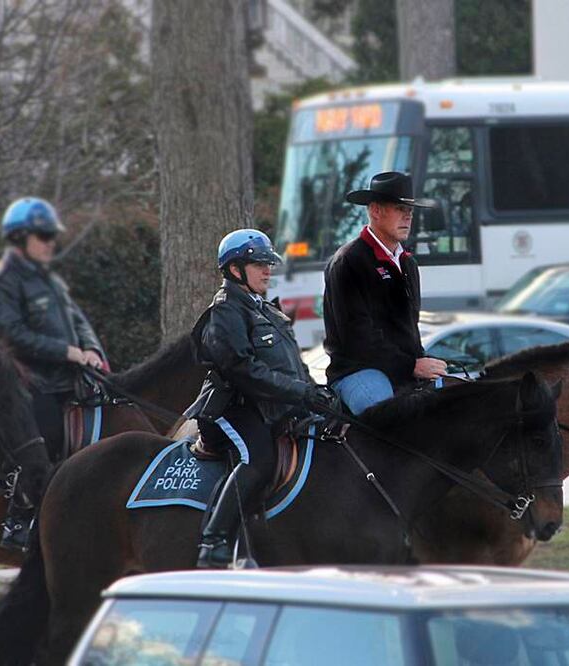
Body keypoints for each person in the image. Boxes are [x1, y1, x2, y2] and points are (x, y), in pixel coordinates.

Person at [187, 228, 336, 569]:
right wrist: (300, 392)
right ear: (235, 269)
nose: (268, 270)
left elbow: (292, 365)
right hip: (233, 407)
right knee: (259, 460)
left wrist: (315, 391)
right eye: (258, 264)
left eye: (269, 263)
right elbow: (242, 371)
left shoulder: (266, 309)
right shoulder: (226, 311)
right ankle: (215, 541)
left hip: (272, 405)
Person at [0, 196, 106, 549]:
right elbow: (10, 333)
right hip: (27, 382)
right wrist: (66, 351)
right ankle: (19, 516)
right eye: (43, 236)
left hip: (69, 378)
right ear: (20, 238)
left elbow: (77, 319)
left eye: (51, 236)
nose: (50, 243)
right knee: (39, 438)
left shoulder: (50, 280)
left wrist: (91, 349)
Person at [322, 171, 447, 415]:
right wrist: (411, 365)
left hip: (404, 369)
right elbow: (356, 337)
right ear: (375, 211)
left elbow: (409, 330)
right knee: (389, 420)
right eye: (400, 208)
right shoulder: (348, 261)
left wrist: (421, 362)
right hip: (357, 370)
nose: (408, 217)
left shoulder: (408, 264)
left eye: (410, 211)